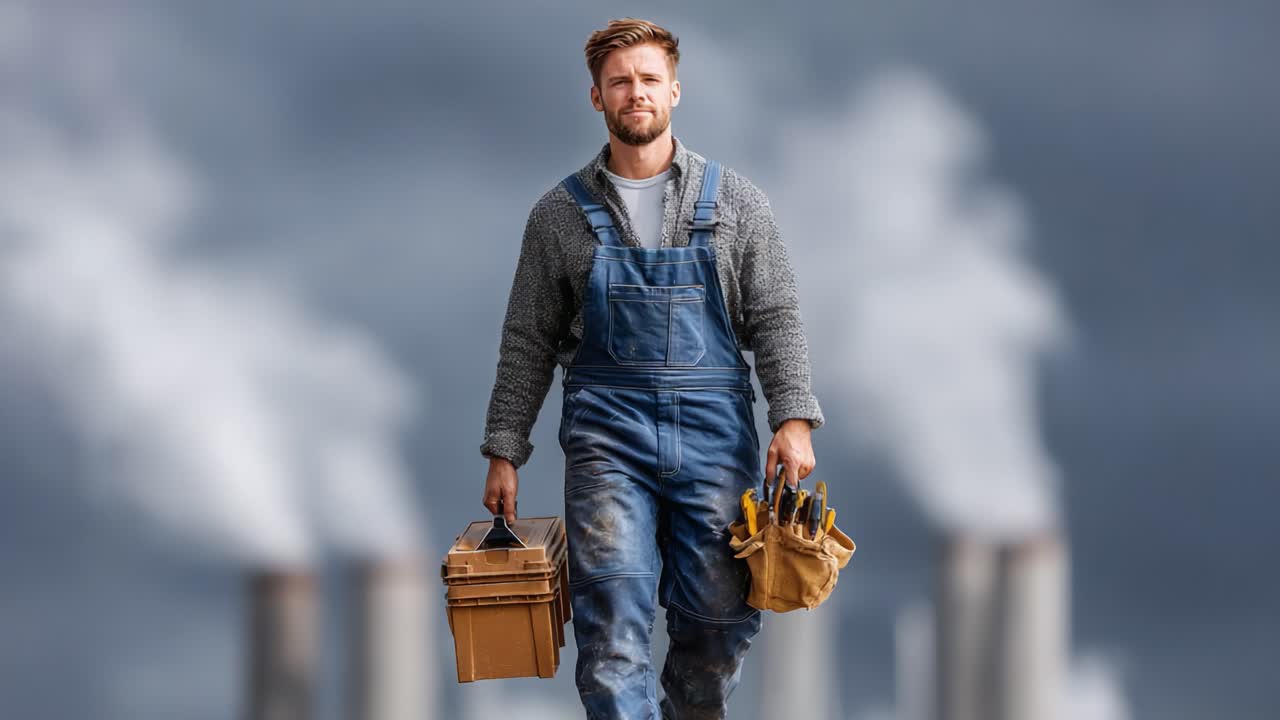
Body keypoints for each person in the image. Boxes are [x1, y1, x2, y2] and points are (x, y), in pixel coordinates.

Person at [479, 17, 824, 719]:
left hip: (715, 439)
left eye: (647, 80)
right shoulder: (558, 216)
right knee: (611, 634)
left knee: (720, 625)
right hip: (608, 441)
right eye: (619, 83)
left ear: (674, 91)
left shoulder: (739, 205)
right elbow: (526, 340)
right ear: (596, 98)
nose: (634, 93)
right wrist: (504, 450)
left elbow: (776, 316)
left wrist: (792, 418)